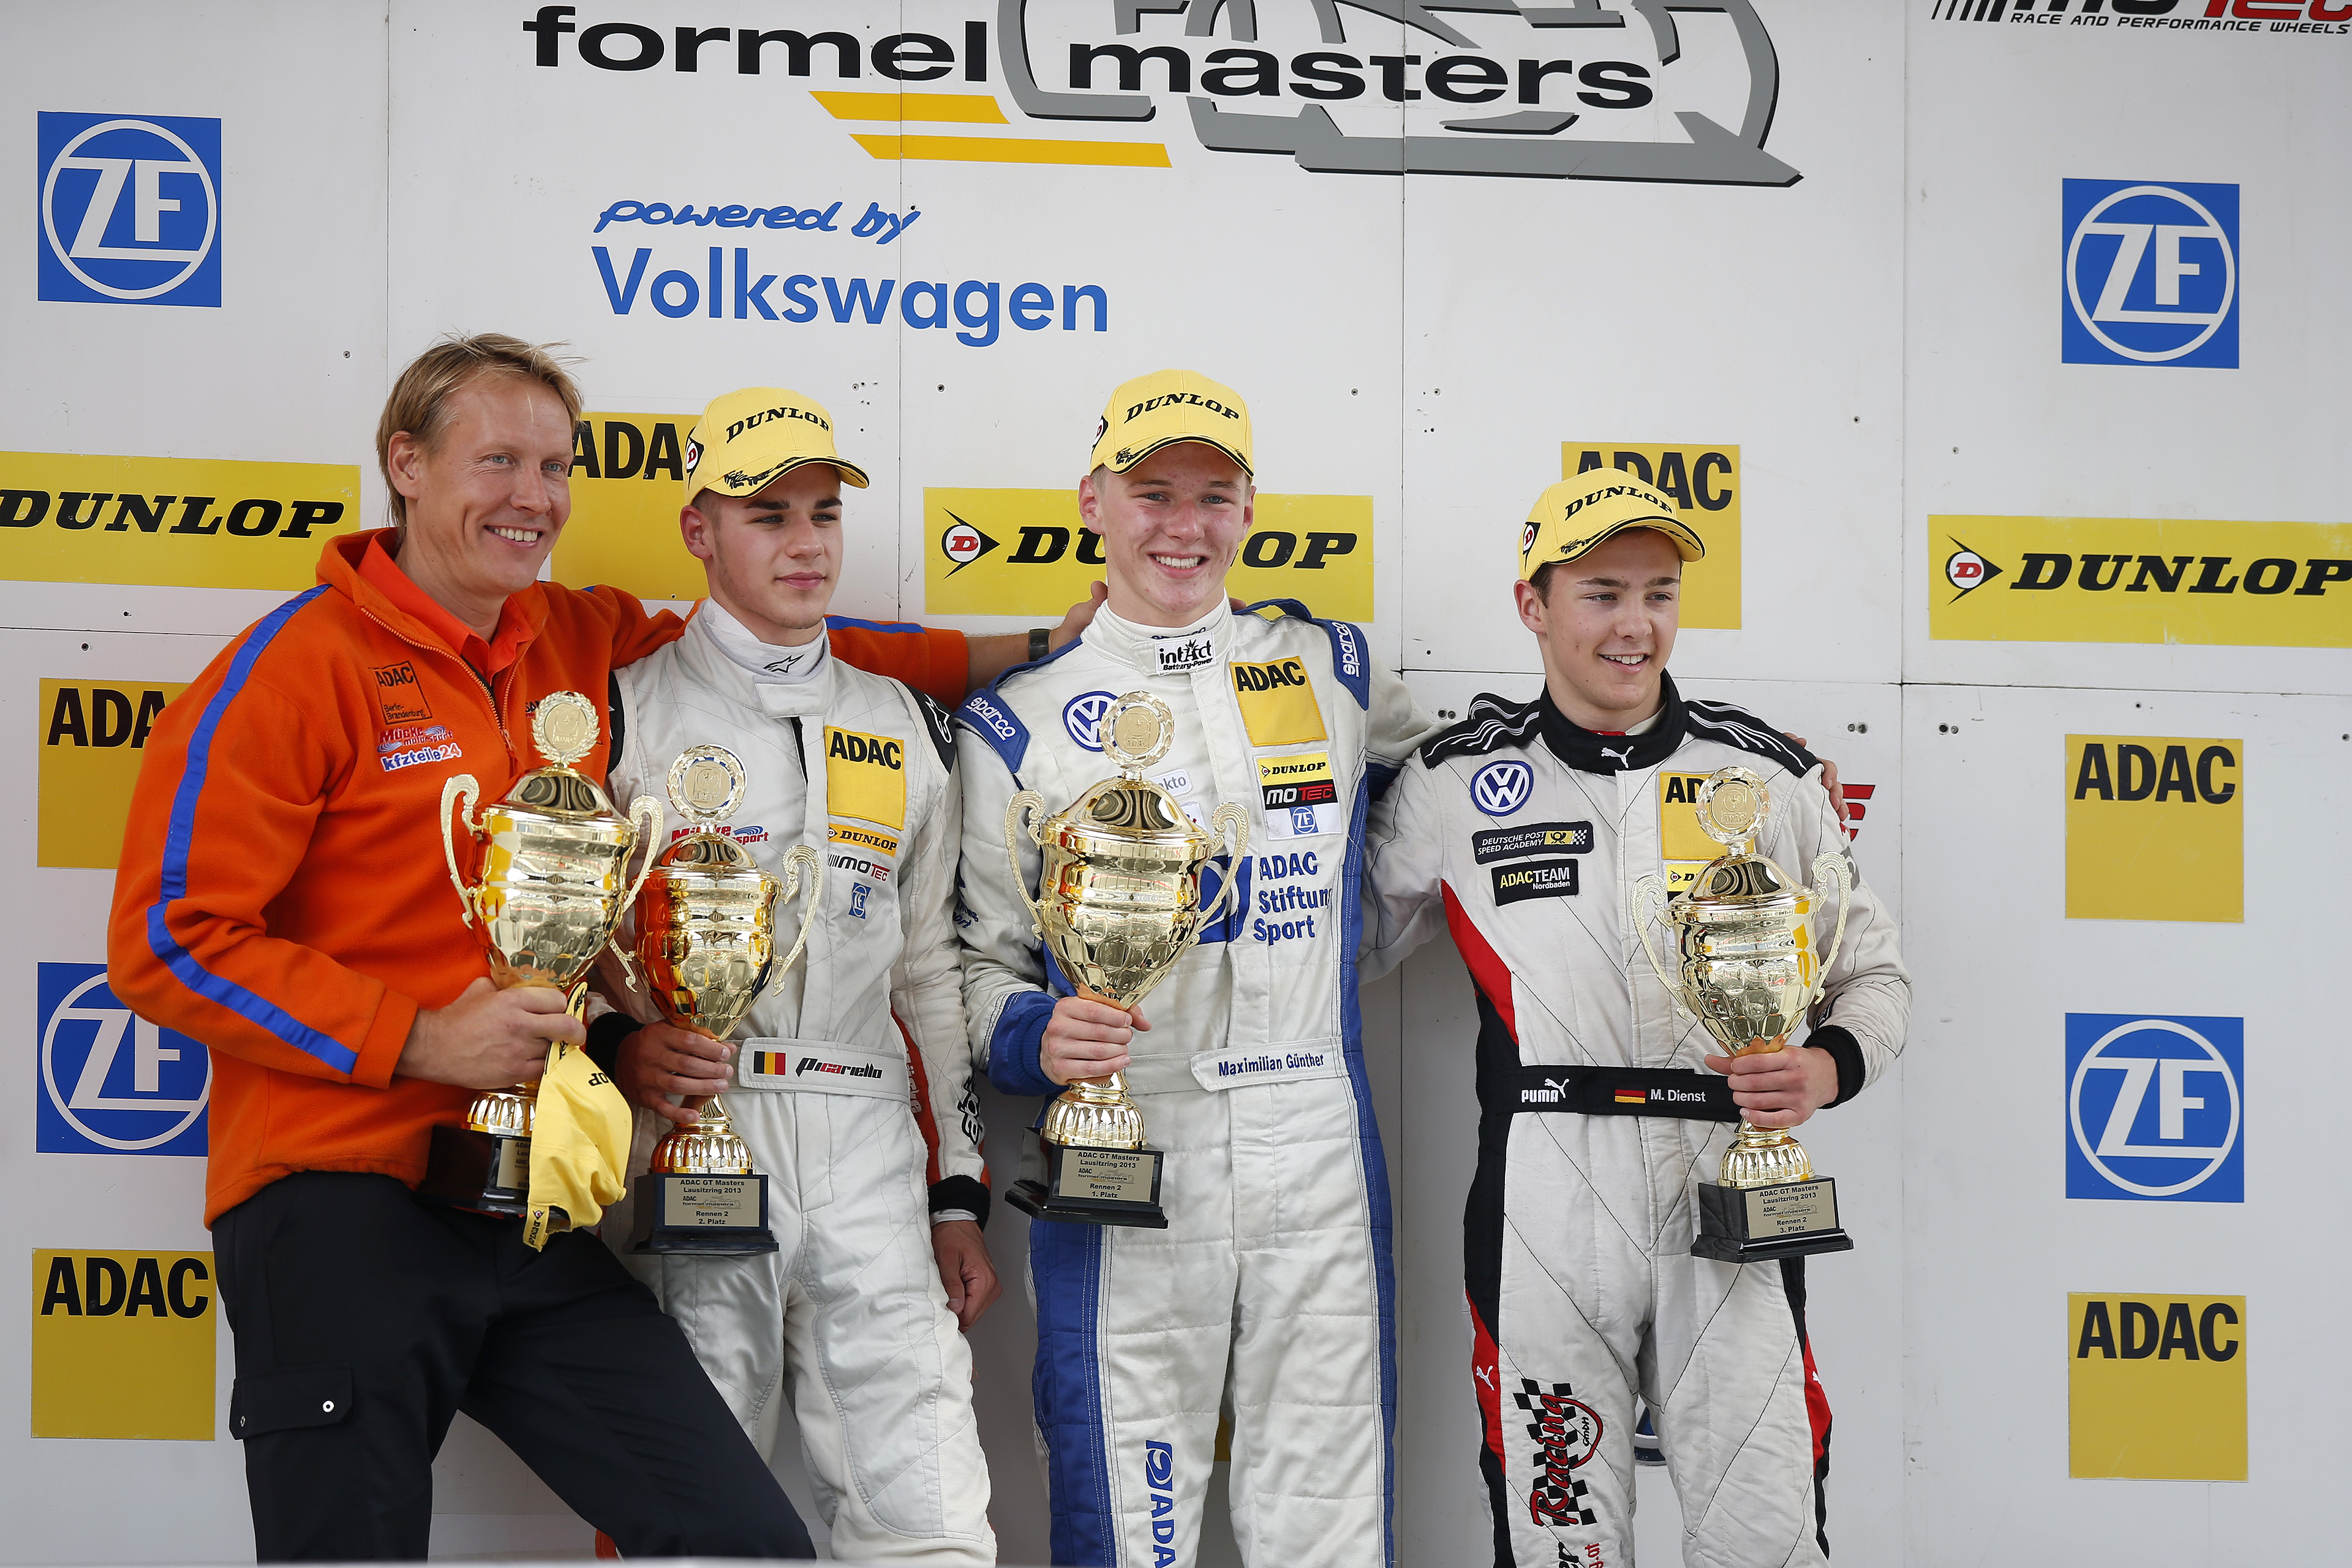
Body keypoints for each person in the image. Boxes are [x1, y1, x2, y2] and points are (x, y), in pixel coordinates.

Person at [104, 334, 826, 1560]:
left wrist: (1023, 657)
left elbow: (770, 654)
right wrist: (421, 1039)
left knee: (737, 1535)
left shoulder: (578, 637)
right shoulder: (293, 667)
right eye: (497, 460)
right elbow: (166, 941)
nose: (533, 496)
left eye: (556, 466)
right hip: (336, 1201)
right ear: (407, 464)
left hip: (531, 1202)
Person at [1359, 469, 1911, 1567]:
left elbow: (1876, 976)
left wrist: (1824, 1070)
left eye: (1659, 594)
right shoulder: (1458, 781)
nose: (1636, 625)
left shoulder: (1765, 774)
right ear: (1534, 605)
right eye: (1603, 593)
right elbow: (1344, 950)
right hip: (1545, 1191)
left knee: (1767, 1540)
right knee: (1561, 1542)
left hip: (1729, 1179)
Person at [954, 371, 1437, 1568]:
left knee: (1328, 1511)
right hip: (1128, 1132)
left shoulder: (1332, 667)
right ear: (1093, 503)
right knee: (1128, 1505)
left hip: (1310, 1127)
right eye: (1153, 492)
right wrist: (1035, 1033)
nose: (1184, 524)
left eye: (1213, 496)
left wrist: (1734, 790)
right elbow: (971, 964)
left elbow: (1447, 811)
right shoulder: (1018, 718)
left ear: (1251, 509)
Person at [588, 386, 998, 1564]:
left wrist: (957, 1195)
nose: (805, 542)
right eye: (767, 515)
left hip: (871, 1139)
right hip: (694, 1129)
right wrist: (624, 1049)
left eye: (822, 513)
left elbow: (930, 972)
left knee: (929, 1512)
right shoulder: (626, 711)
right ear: (698, 530)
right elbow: (573, 951)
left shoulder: (907, 723)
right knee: (687, 1515)